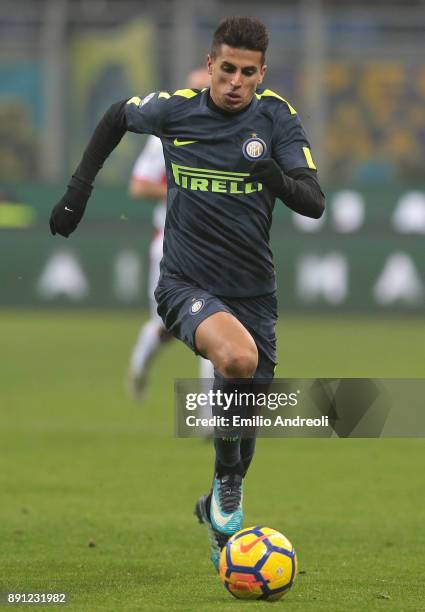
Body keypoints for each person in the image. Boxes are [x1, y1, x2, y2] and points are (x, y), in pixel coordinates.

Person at [49, 16, 325, 572]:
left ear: (261, 74)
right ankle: (226, 483)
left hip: (255, 294)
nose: (235, 82)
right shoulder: (178, 109)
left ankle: (219, 494)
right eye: (226, 69)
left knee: (245, 415)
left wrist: (269, 173)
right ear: (209, 66)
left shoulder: (276, 117)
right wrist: (77, 193)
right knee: (237, 357)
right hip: (184, 283)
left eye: (248, 73)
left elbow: (313, 201)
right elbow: (114, 117)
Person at [127, 69, 214, 401]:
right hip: (171, 245)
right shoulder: (166, 134)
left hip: (213, 246)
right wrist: (181, 192)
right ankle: (140, 363)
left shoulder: (231, 135)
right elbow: (139, 185)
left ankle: (210, 415)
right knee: (165, 328)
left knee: (214, 323)